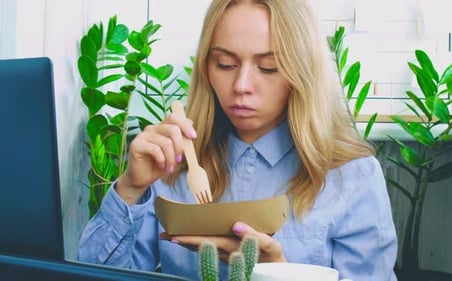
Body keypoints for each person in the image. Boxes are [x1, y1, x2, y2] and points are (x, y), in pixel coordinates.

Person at [78, 0, 398, 280]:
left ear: (302, 73)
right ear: (206, 67)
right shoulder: (175, 162)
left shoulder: (352, 176)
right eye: (225, 64)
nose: (241, 85)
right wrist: (131, 188)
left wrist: (277, 273)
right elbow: (92, 275)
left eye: (268, 67)